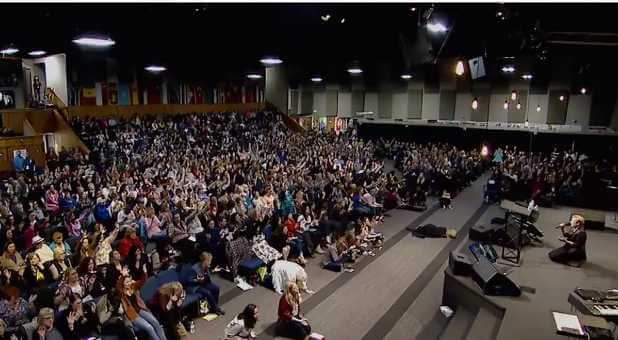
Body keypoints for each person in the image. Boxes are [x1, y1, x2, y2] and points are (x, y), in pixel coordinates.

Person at [116, 275, 167, 340]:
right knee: (149, 327)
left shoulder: (133, 287)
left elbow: (143, 280)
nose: (129, 283)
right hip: (133, 315)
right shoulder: (121, 293)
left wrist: (144, 271)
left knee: (155, 322)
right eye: (127, 282)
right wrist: (121, 273)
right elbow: (117, 287)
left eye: (130, 281)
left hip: (140, 310)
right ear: (123, 284)